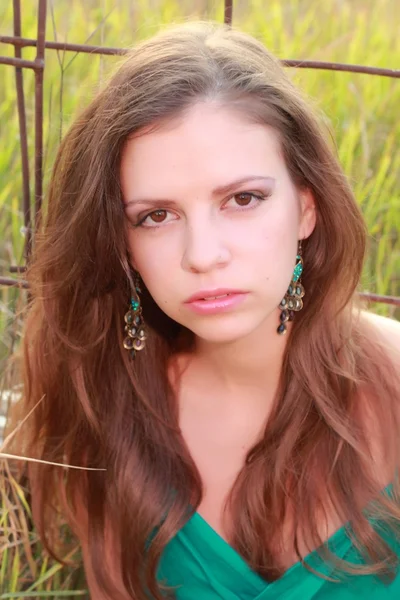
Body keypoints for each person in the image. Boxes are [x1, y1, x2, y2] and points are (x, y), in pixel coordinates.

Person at [21, 20, 400, 600]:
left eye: (243, 199)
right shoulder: (108, 396)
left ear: (306, 207)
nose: (202, 255)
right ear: (120, 241)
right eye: (156, 215)